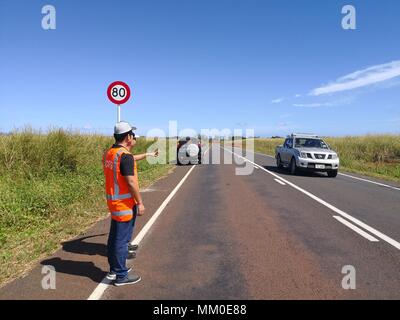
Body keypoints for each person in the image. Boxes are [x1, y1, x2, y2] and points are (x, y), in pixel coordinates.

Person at [102, 121, 145, 286]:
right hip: (125, 204)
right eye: (132, 135)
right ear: (128, 137)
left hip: (114, 202)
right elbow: (131, 182)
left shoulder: (110, 153)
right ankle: (121, 275)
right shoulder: (124, 156)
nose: (133, 137)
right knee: (121, 241)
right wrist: (139, 202)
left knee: (114, 238)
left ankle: (114, 270)